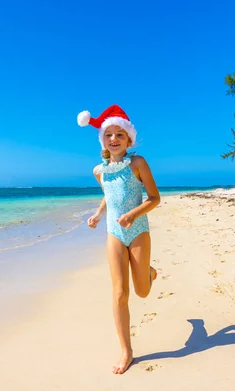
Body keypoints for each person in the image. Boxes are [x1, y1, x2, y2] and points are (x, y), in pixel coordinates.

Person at [78, 104, 161, 374]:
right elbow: (109, 196)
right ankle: (127, 351)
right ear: (102, 139)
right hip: (114, 233)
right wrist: (98, 213)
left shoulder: (138, 163)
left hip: (138, 231)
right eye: (109, 135)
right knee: (119, 293)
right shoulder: (99, 171)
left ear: (128, 139)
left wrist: (133, 215)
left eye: (119, 135)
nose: (114, 139)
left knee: (142, 291)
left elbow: (154, 198)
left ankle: (147, 271)